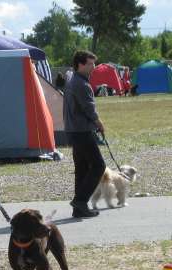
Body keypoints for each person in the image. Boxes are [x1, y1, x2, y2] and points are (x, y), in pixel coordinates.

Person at [63, 50, 106, 218]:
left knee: (82, 168)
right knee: (98, 166)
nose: (93, 67)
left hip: (73, 130)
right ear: (80, 64)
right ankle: (80, 200)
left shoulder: (72, 80)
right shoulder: (81, 83)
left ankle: (78, 208)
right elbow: (89, 108)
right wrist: (99, 123)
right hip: (81, 131)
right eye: (90, 64)